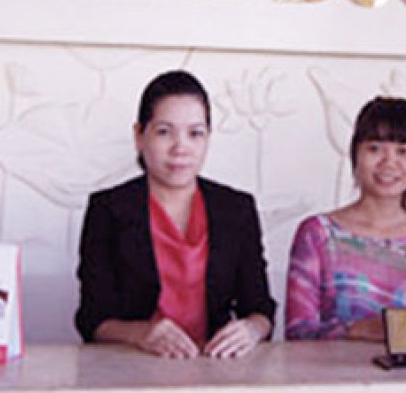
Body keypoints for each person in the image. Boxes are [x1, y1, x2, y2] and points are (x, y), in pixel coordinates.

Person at [75, 70, 275, 359]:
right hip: (134, 366)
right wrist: (140, 333)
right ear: (139, 136)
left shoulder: (236, 209)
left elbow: (261, 308)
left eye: (195, 133)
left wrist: (252, 329)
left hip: (215, 366)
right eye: (164, 132)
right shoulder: (108, 209)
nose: (180, 148)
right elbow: (91, 319)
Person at [285, 96, 406, 342]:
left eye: (404, 151)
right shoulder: (318, 233)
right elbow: (298, 332)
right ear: (355, 156)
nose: (389, 162)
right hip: (332, 367)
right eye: (375, 149)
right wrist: (360, 330)